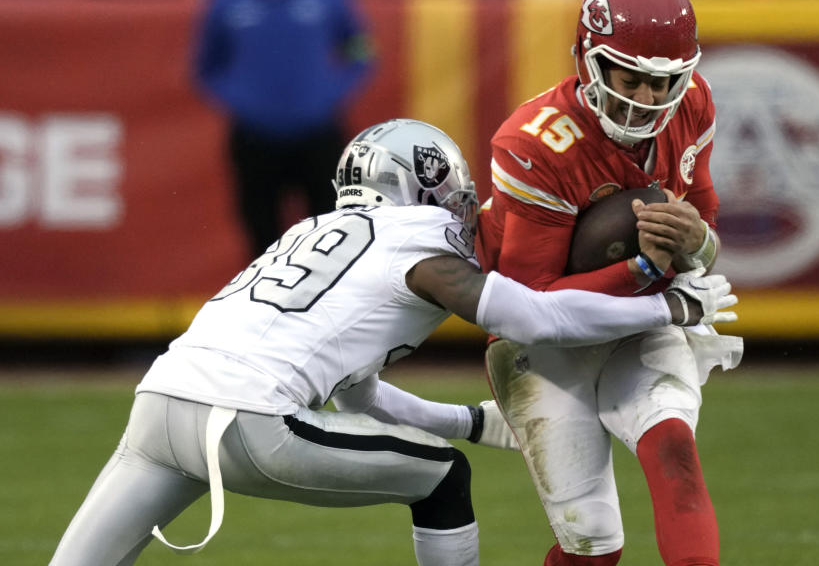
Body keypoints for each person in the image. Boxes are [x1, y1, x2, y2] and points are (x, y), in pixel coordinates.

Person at [50, 119, 738, 566]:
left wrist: (467, 421)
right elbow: (533, 319)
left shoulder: (307, 233)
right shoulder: (420, 239)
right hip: (251, 419)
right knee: (441, 480)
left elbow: (362, 392)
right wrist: (662, 302)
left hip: (159, 405)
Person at [475, 0, 744, 566]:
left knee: (673, 447)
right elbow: (532, 303)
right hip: (539, 345)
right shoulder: (535, 143)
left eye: (665, 82)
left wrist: (697, 240)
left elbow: (702, 222)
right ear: (589, 61)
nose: (650, 100)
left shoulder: (692, 102)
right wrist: (646, 273)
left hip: (638, 322)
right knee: (594, 549)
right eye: (634, 79)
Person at [193, 0, 372, 257]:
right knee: (259, 236)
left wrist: (331, 92)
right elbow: (205, 68)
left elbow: (361, 52)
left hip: (318, 134)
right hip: (254, 138)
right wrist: (242, 101)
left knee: (332, 235)